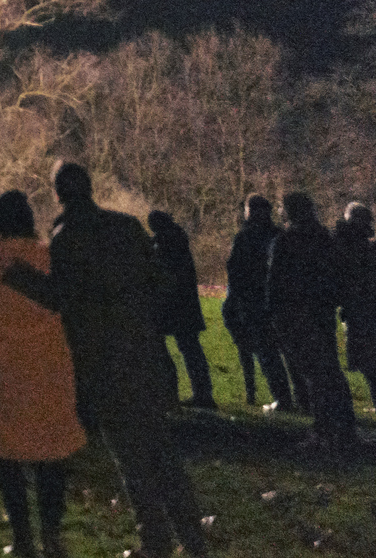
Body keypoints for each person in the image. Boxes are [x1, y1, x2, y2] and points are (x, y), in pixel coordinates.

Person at [2, 162, 210, 558]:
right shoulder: (127, 227)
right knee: (161, 448)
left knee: (130, 454)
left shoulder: (67, 237)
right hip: (143, 351)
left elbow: (61, 297)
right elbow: (161, 281)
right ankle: (192, 536)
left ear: (59, 194)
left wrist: (18, 277)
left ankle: (155, 539)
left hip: (102, 360)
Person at [0, 190, 86, 558]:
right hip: (49, 365)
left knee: (7, 453)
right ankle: (52, 534)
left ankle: (22, 538)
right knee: (51, 450)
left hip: (3, 370)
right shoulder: (49, 256)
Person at [268, 191, 356, 449]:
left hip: (295, 313)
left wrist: (273, 313)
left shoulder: (286, 240)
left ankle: (324, 432)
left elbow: (275, 281)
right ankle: (345, 428)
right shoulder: (324, 238)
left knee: (314, 374)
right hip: (321, 311)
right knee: (330, 371)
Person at [222, 194, 297, 409]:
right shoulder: (278, 235)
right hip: (280, 301)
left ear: (251, 211)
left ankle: (282, 398)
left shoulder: (245, 237)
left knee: (266, 352)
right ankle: (302, 397)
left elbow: (235, 271)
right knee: (288, 352)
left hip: (253, 302)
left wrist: (234, 301)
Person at [146, 210, 216, 410]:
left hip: (173, 304)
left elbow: (160, 269)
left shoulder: (164, 242)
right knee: (190, 349)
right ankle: (203, 393)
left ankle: (172, 394)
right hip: (185, 304)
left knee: (174, 349)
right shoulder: (177, 238)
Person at [338, 204, 376, 400]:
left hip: (359, 309)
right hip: (361, 307)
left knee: (366, 358)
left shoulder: (351, 247)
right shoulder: (368, 246)